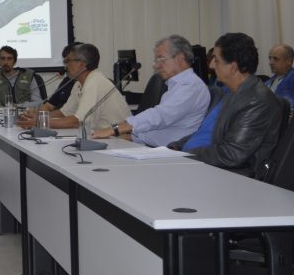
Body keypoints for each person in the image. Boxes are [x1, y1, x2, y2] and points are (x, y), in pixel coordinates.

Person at [169, 33, 283, 178]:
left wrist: (185, 154)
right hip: (202, 165)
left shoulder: (257, 101)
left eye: (216, 60)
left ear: (233, 67)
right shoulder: (229, 93)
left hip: (232, 177)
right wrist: (177, 146)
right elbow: (206, 132)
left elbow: (231, 154)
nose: (211, 65)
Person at [92, 35, 210, 147]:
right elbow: (159, 129)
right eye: (156, 60)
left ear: (180, 59)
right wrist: (129, 137)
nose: (156, 65)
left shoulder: (191, 86)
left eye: (161, 59)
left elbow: (160, 117)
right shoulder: (176, 85)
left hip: (172, 153)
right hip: (153, 147)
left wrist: (115, 129)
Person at [42, 43, 130, 130]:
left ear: (82, 64)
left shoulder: (94, 82)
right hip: (101, 134)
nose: (65, 66)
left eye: (68, 61)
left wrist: (41, 121)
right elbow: (64, 113)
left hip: (120, 136)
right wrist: (39, 117)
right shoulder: (78, 84)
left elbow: (78, 121)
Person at [265, 44, 294, 112]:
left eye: (275, 59)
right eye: (270, 58)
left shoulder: (292, 78)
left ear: (289, 61)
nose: (271, 62)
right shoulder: (268, 82)